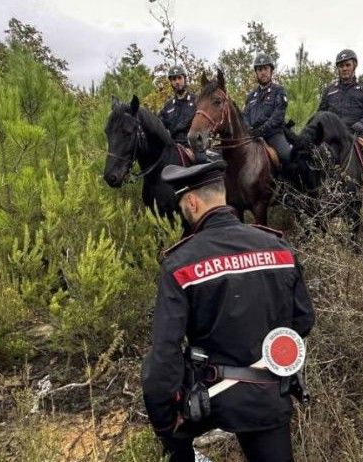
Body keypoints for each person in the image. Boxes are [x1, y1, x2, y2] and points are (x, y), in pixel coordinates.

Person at [142, 160, 315, 462]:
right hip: (267, 393)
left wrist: (164, 422)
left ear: (192, 202)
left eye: (183, 203)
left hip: (207, 397)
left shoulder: (181, 264)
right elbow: (303, 320)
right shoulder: (279, 248)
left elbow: (164, 353)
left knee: (177, 445)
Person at [318, 49, 363, 194]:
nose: (344, 68)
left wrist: (362, 123)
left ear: (354, 65)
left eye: (347, 65)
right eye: (341, 66)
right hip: (334, 133)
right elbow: (321, 112)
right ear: (338, 68)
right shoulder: (330, 90)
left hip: (358, 130)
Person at [242, 53, 292, 164]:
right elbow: (244, 116)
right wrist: (249, 129)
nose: (263, 72)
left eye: (265, 68)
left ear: (271, 71)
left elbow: (278, 116)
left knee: (287, 156)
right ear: (256, 72)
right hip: (252, 136)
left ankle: (292, 181)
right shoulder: (251, 96)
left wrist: (261, 130)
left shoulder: (279, 90)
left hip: (273, 135)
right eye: (259, 69)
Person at [159, 64, 201, 160]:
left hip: (193, 146)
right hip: (173, 148)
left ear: (184, 79)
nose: (177, 82)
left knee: (202, 161)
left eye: (179, 78)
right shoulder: (168, 106)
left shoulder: (196, 101)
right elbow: (159, 125)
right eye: (173, 79)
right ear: (171, 82)